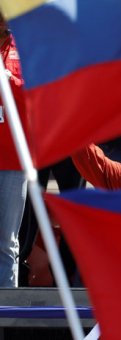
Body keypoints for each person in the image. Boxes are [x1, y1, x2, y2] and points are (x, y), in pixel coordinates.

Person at [0, 17, 28, 287]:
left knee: (7, 242)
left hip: (12, 160)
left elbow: (38, 95)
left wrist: (10, 82)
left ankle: (6, 317)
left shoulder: (26, 48)